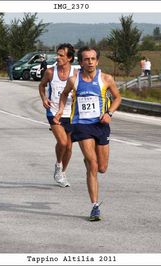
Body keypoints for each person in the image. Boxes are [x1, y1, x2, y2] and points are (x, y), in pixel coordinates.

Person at [54, 46, 121, 221]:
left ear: (97, 61)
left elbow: (118, 98)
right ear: (81, 62)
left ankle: (89, 159)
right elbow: (64, 95)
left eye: (92, 59)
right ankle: (95, 206)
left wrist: (109, 113)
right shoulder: (74, 80)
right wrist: (61, 110)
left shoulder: (106, 79)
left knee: (102, 168)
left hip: (100, 125)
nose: (90, 62)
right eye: (86, 59)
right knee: (92, 165)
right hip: (81, 126)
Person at [39, 43, 76, 187]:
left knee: (69, 147)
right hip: (53, 112)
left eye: (61, 55)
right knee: (63, 142)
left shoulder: (75, 73)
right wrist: (44, 98)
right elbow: (41, 86)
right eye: (57, 54)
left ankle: (62, 173)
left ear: (70, 58)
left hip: (71, 114)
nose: (57, 57)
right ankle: (58, 165)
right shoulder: (50, 72)